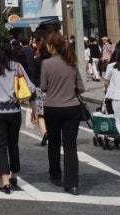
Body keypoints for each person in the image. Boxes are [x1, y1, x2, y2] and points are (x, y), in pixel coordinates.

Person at [0, 37, 37, 193]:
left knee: (1, 145)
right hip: (14, 111)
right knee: (13, 144)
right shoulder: (16, 67)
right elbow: (31, 87)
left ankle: (5, 180)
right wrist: (33, 109)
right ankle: (14, 174)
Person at [40, 32, 85, 195]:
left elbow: (43, 87)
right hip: (71, 107)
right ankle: (72, 183)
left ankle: (56, 175)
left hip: (52, 107)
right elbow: (81, 88)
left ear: (51, 46)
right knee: (70, 146)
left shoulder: (46, 64)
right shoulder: (71, 63)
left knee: (53, 143)